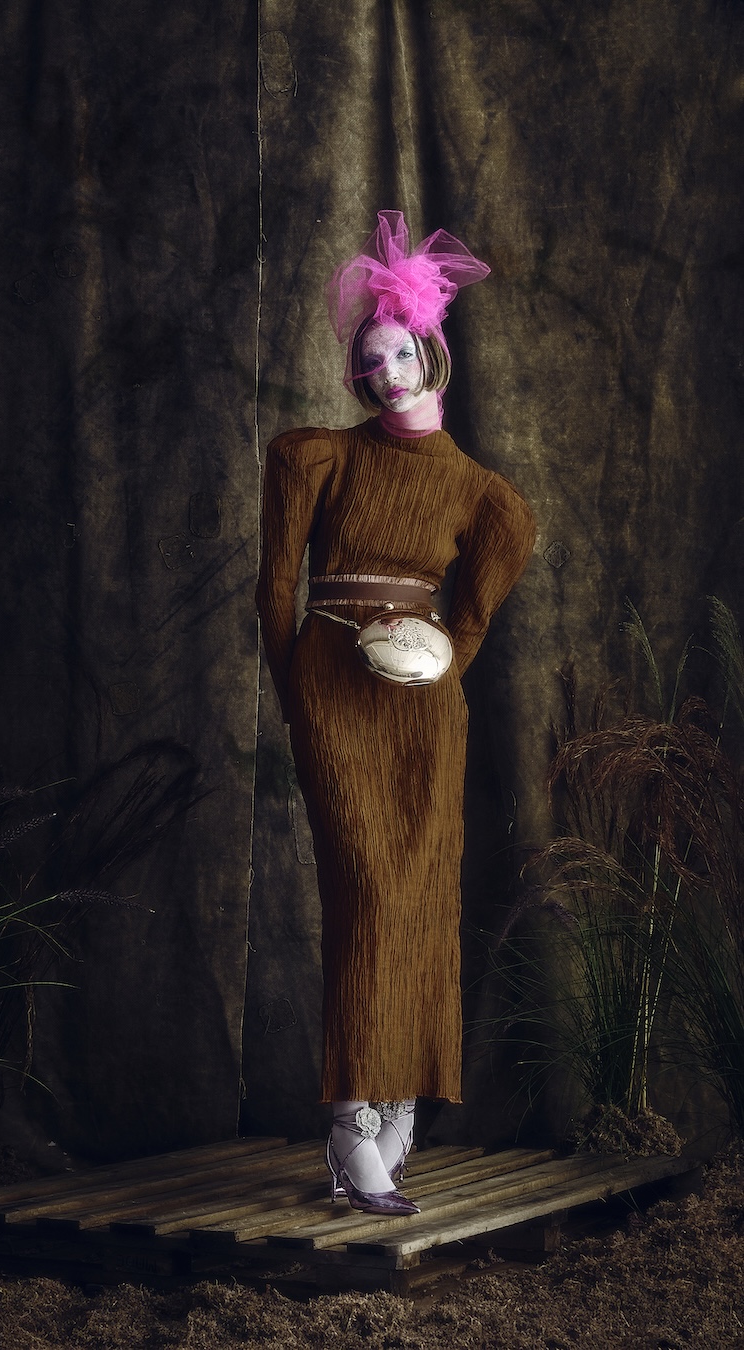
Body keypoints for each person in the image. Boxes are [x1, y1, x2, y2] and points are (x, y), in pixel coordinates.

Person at [256, 211, 536, 1216]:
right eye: (369, 363)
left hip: (422, 712)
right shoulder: (316, 458)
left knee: (420, 893)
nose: (385, 377)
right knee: (368, 891)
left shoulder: (482, 494)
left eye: (401, 356)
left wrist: (439, 670)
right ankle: (350, 1121)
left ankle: (402, 1103)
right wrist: (300, 695)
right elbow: (273, 594)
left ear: (432, 353)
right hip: (333, 690)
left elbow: (474, 614)